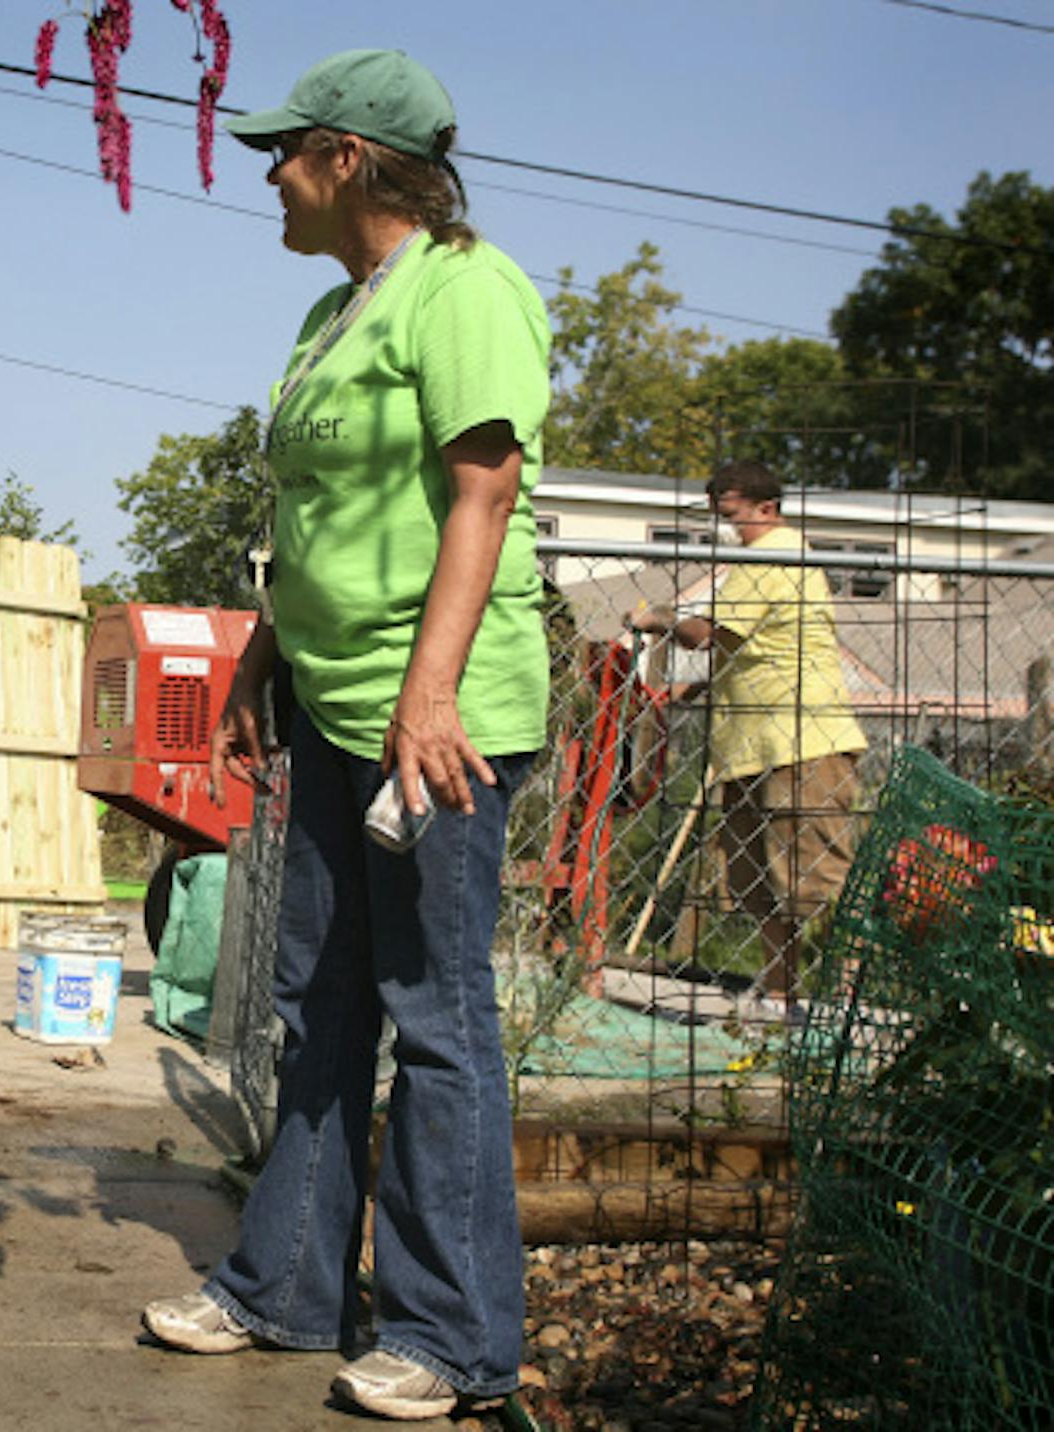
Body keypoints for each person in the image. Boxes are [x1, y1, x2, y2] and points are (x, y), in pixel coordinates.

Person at [138, 48, 551, 1422]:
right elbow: (321, 517)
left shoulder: (467, 291)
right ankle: (288, 1286)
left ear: (352, 161)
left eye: (286, 149)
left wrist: (425, 698)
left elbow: (479, 496)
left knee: (437, 1021)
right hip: (331, 700)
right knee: (318, 1001)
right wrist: (270, 646)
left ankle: (452, 1338)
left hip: (437, 722)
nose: (267, 172)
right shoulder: (333, 311)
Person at [628, 460, 867, 1013]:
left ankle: (845, 1004)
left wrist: (659, 617)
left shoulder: (775, 553)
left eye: (734, 513)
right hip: (753, 748)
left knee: (819, 882)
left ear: (767, 507)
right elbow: (749, 654)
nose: (730, 526)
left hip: (802, 744)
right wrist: (683, 696)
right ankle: (783, 996)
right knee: (757, 881)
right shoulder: (759, 560)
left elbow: (703, 635)